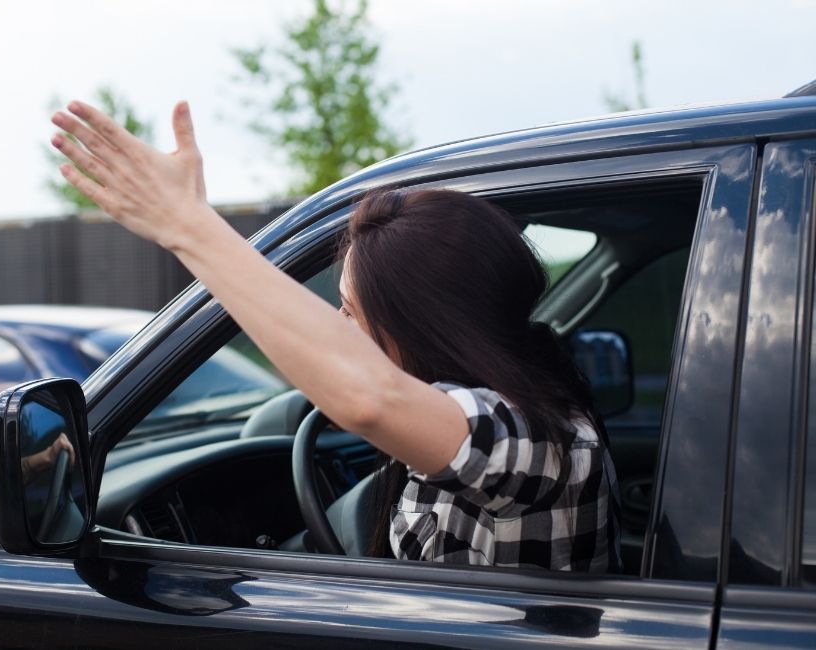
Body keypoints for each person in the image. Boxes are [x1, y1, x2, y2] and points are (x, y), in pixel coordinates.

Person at [49, 100, 622, 572]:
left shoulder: (534, 440)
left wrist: (187, 227)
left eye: (350, 311)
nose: (340, 327)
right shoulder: (527, 405)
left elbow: (368, 398)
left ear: (422, 321)